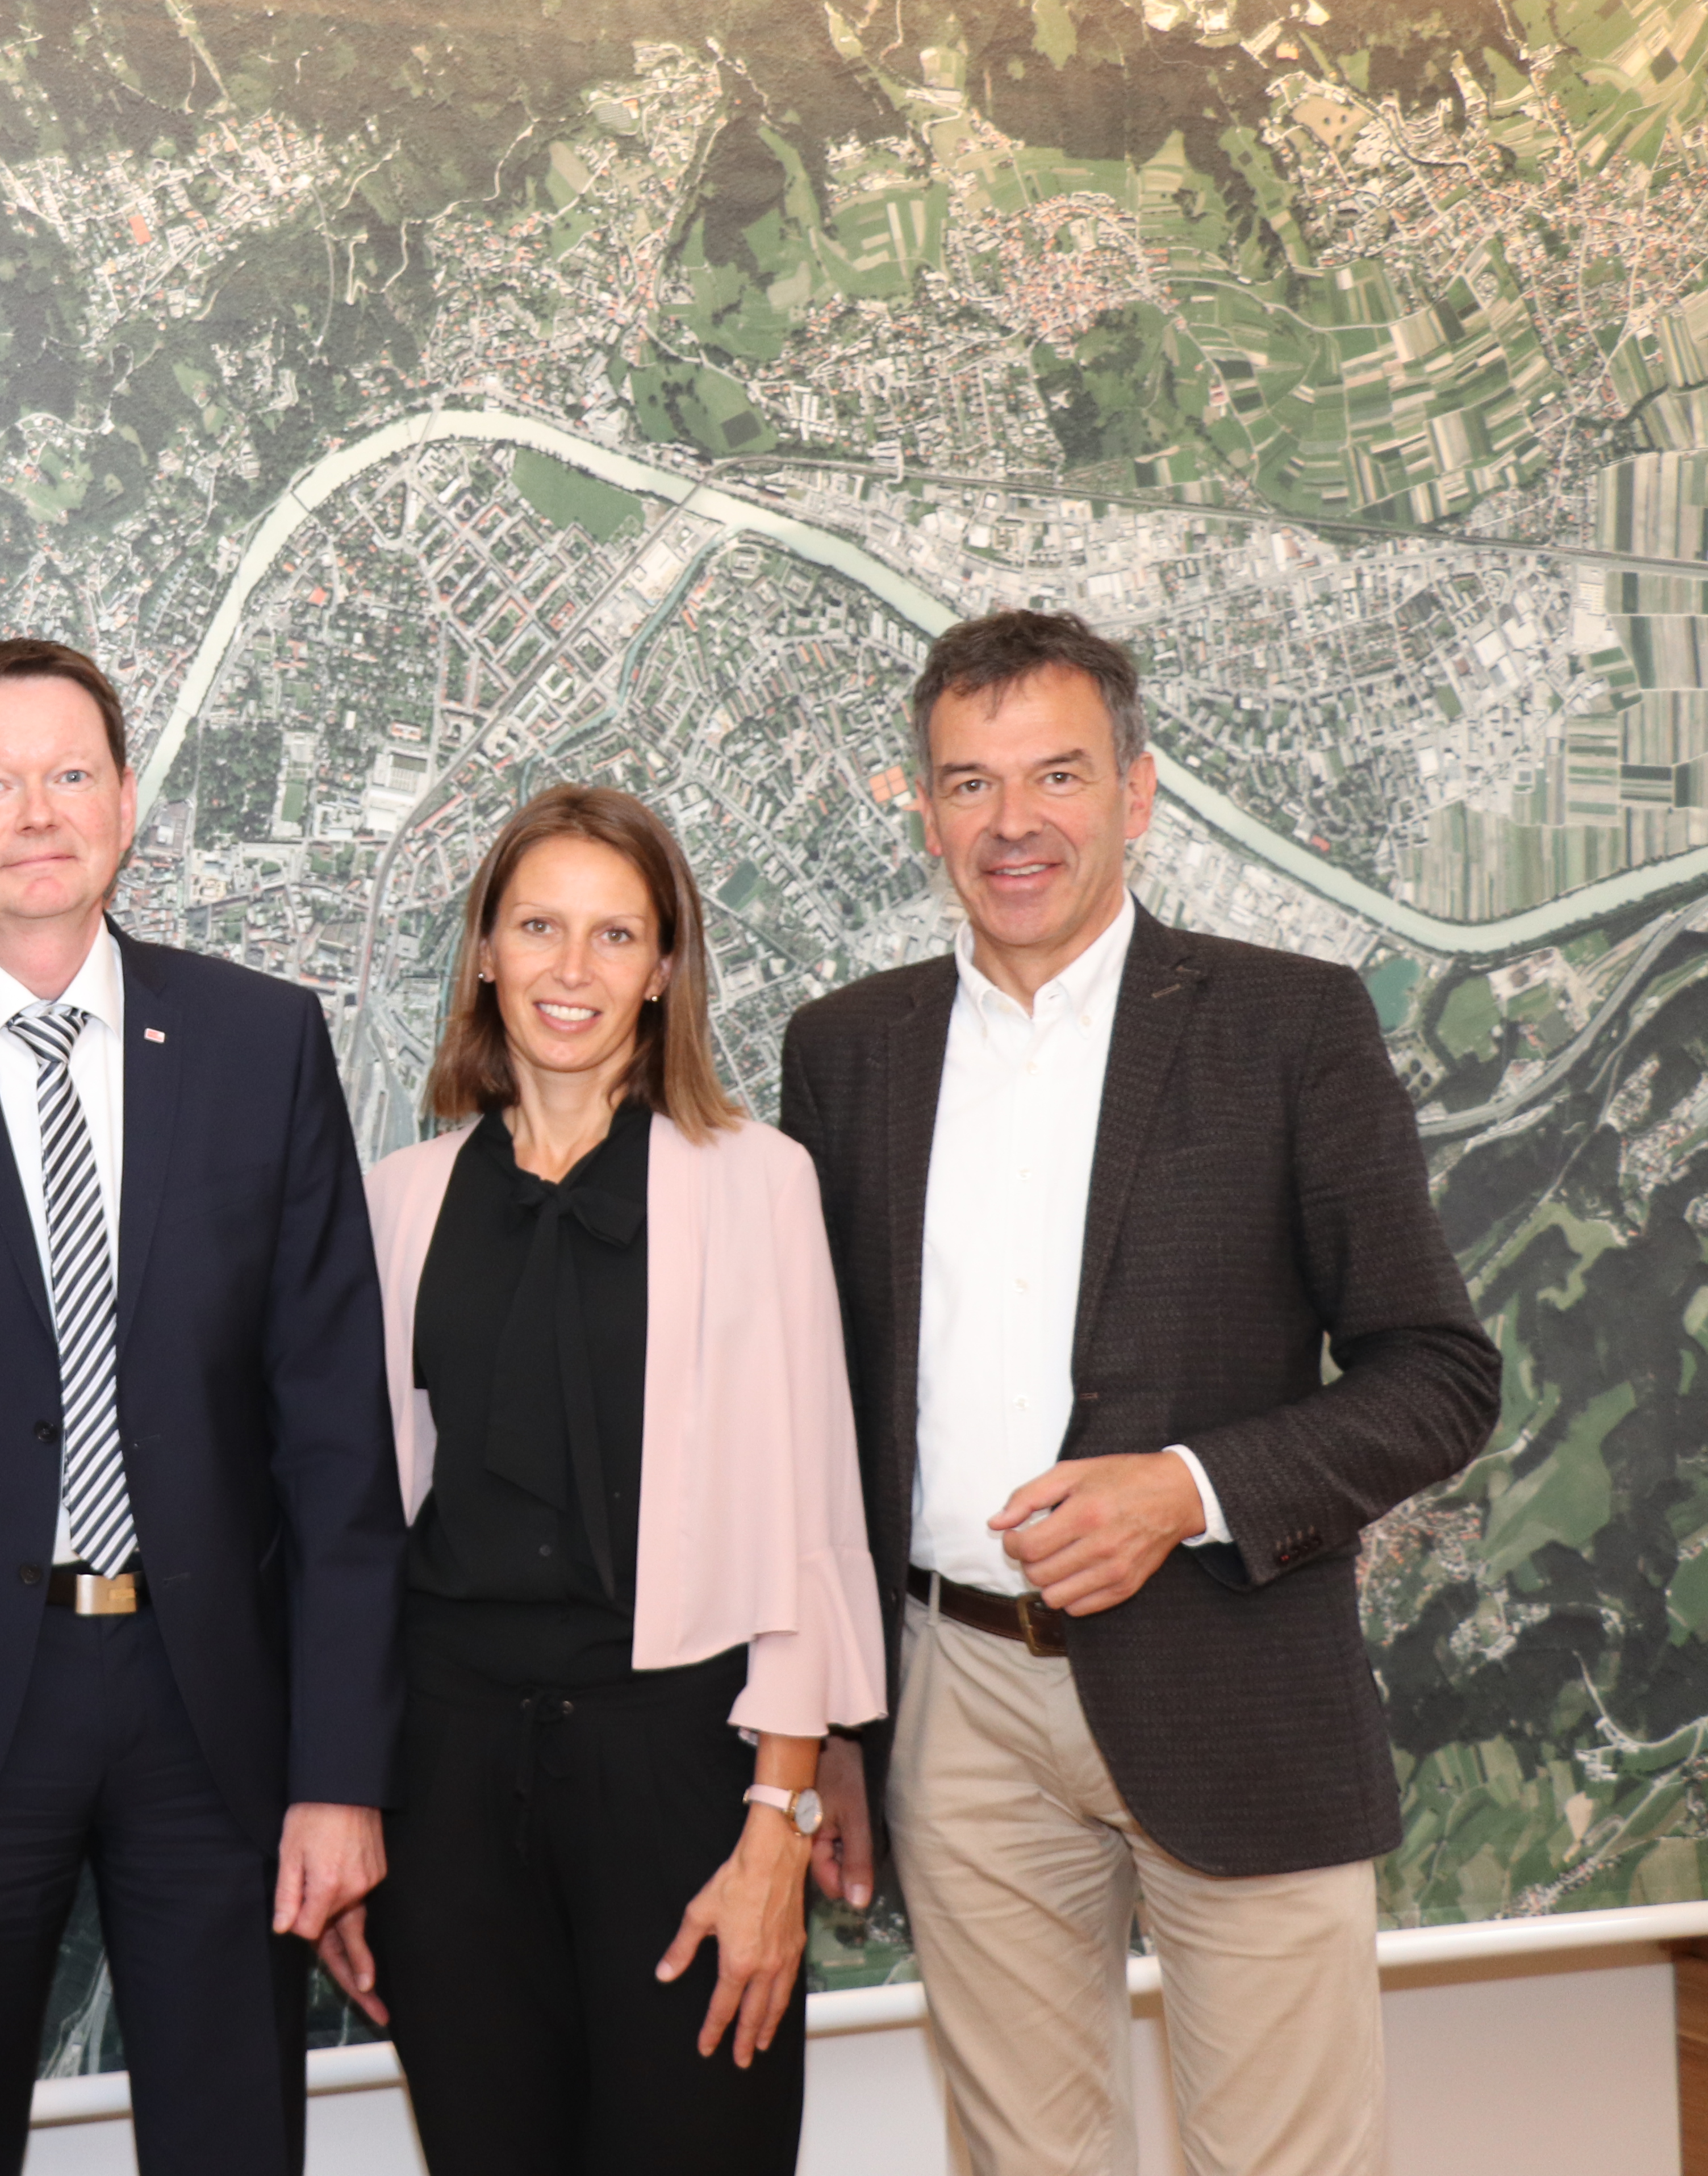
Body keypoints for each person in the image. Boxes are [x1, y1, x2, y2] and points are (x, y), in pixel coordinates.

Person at [780, 609, 1499, 2176]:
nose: (1014, 822)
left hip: (1235, 1675)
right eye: (969, 784)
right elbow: (824, 1412)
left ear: (1139, 792)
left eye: (1056, 774)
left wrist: (1182, 1489)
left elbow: (1441, 1377)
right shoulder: (845, 1054)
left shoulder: (1290, 1027)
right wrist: (833, 1719)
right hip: (954, 1700)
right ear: (923, 809)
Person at [0, 639, 408, 2176]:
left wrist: (339, 1775)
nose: (34, 812)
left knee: (234, 2140)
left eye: (68, 775)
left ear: (126, 805)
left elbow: (335, 1443)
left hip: (216, 1717)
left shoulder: (261, 1043)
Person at [340, 785, 883, 2174]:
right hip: (446, 1778)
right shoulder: (401, 1195)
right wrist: (346, 1792)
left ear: (663, 969)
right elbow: (356, 1526)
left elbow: (815, 1519)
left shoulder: (760, 1182)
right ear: (484, 953)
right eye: (538, 926)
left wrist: (780, 1824)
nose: (571, 969)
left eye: (614, 933)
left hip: (681, 1772)